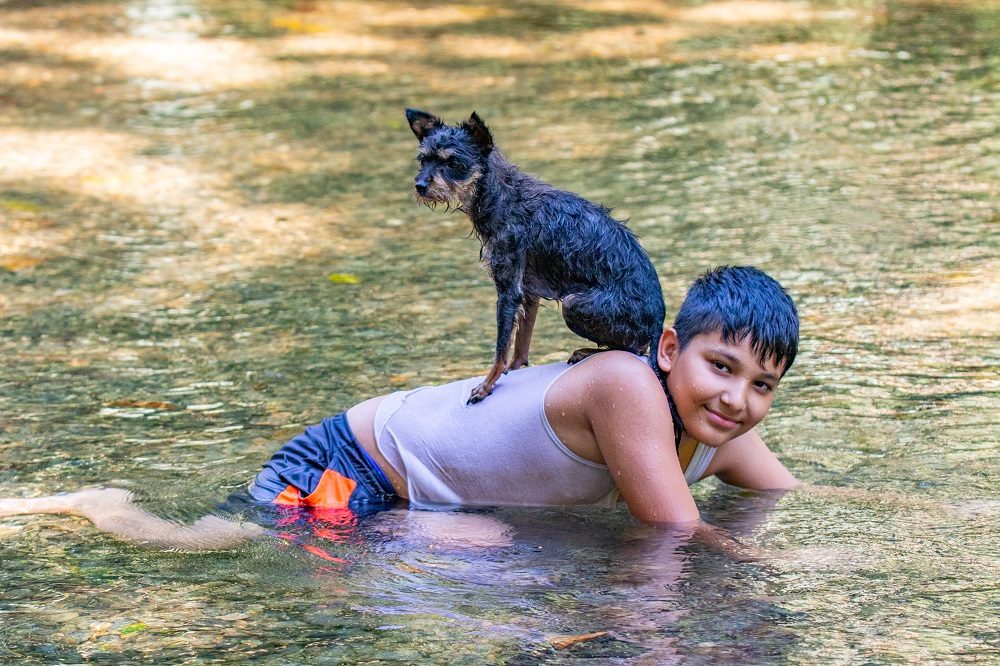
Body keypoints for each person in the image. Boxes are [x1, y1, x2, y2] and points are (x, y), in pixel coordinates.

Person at [0, 265, 800, 549]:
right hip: (340, 473)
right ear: (668, 350)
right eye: (719, 367)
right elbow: (674, 533)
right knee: (207, 541)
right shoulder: (625, 383)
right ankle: (95, 505)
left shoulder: (713, 431)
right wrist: (779, 571)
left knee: (501, 548)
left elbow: (795, 498)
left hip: (401, 493)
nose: (735, 398)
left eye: (761, 385)